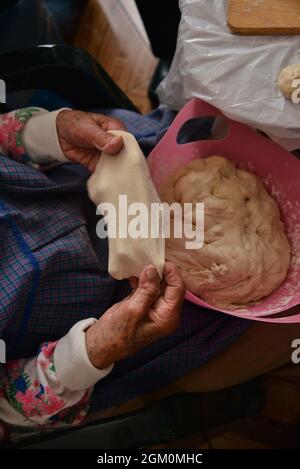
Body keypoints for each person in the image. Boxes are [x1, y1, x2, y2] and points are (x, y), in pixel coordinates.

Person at [0, 105, 299, 439]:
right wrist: (94, 351)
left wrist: (44, 133)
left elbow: (4, 134)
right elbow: (7, 412)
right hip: (118, 325)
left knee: (261, 123)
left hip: (102, 169)